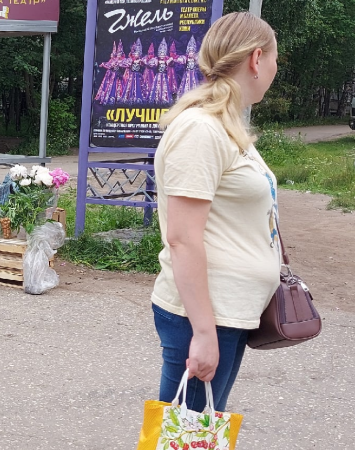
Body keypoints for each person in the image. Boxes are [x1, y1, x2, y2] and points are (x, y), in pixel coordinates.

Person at [151, 12, 280, 413]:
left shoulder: (225, 126)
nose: (276, 68)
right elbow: (183, 237)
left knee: (196, 432)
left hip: (227, 311)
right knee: (183, 435)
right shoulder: (201, 129)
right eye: (276, 59)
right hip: (208, 315)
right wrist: (204, 332)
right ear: (256, 59)